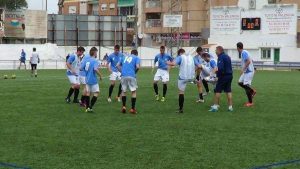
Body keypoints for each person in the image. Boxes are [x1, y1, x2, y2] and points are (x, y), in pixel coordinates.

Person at [167, 49, 202, 113]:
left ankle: (181, 109)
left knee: (181, 92)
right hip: (191, 77)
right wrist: (194, 71)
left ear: (179, 53)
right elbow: (199, 66)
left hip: (182, 78)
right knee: (197, 83)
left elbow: (173, 64)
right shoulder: (192, 57)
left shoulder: (180, 57)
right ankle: (195, 81)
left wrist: (167, 62)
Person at [209, 46, 233, 112]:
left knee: (218, 90)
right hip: (230, 75)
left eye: (216, 50)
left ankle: (215, 107)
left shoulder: (221, 57)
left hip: (223, 76)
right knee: (228, 90)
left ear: (219, 50)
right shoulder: (227, 56)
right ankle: (230, 107)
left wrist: (215, 75)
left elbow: (220, 68)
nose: (215, 52)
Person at [117, 49, 140, 114]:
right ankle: (132, 109)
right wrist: (134, 72)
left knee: (124, 91)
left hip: (123, 76)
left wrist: (121, 72)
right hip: (131, 75)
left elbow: (117, 65)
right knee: (133, 91)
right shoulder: (136, 58)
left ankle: (124, 107)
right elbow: (138, 67)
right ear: (136, 54)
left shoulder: (124, 57)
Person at [81, 47, 102, 112]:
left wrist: (87, 71)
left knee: (88, 93)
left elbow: (81, 68)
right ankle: (90, 107)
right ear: (94, 52)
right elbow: (95, 69)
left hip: (87, 79)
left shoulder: (86, 60)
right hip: (93, 79)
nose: (96, 54)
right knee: (96, 92)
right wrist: (100, 75)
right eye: (96, 52)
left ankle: (87, 108)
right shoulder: (95, 61)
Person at [237, 42, 257, 107]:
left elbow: (248, 61)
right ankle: (252, 91)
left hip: (248, 72)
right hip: (247, 71)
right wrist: (254, 68)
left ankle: (250, 102)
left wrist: (243, 69)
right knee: (240, 82)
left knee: (246, 86)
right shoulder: (245, 52)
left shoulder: (243, 53)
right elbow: (251, 60)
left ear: (238, 48)